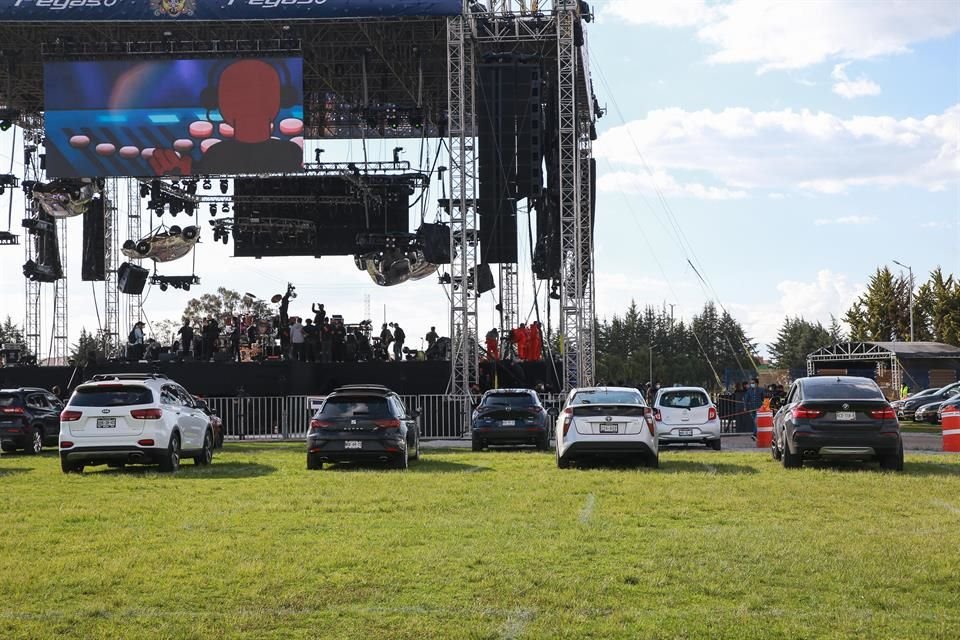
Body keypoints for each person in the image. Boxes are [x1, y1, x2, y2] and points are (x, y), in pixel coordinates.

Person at [148, 59, 302, 175]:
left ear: (215, 102)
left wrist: (183, 169)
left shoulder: (217, 154)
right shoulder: (291, 152)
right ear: (282, 100)